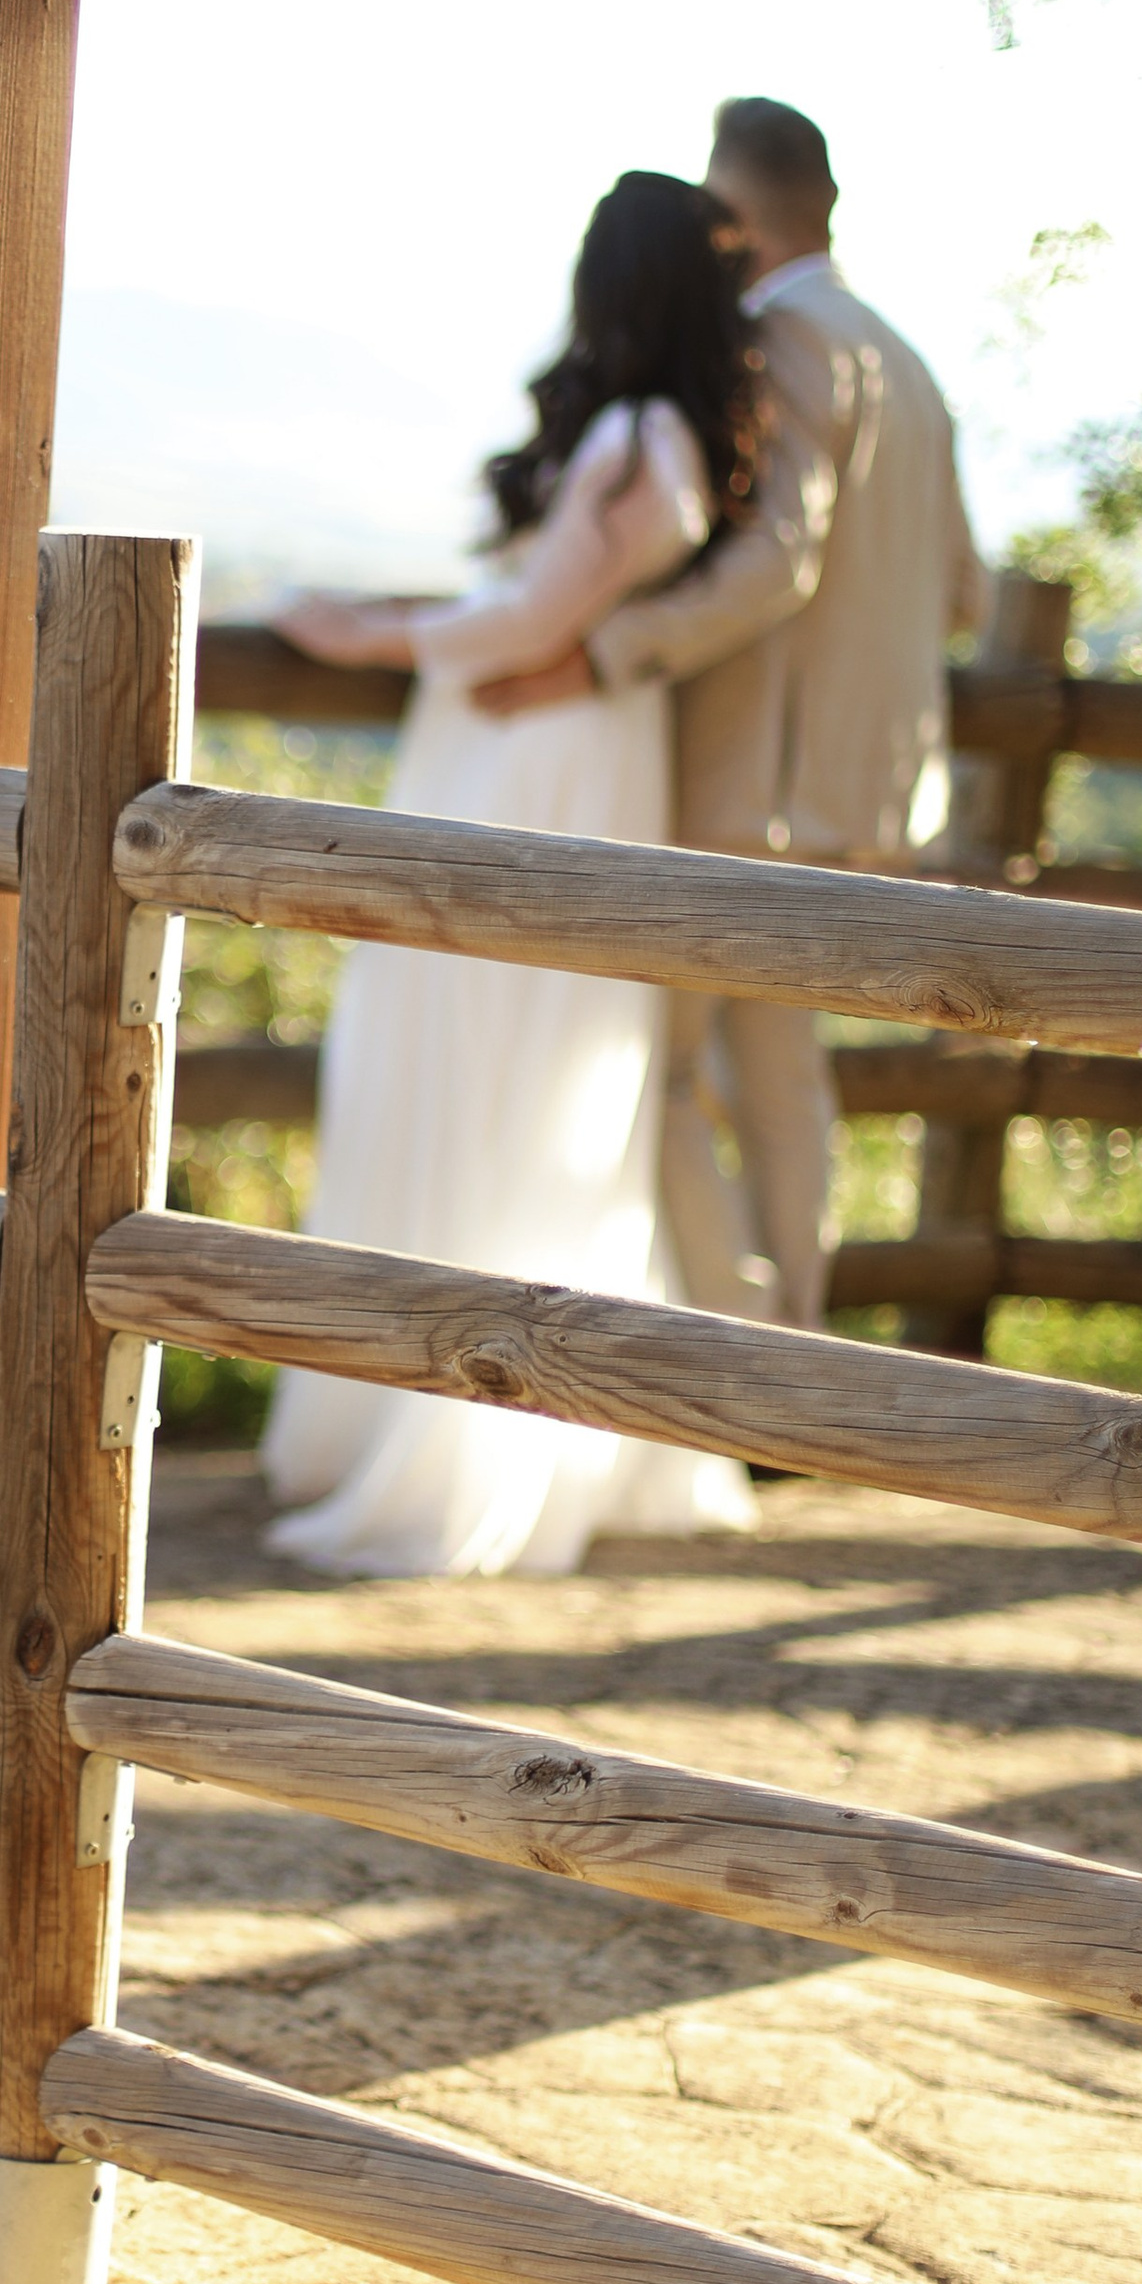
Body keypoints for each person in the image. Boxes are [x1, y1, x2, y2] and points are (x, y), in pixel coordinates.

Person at [260, 170, 761, 1576]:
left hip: (541, 763)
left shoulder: (642, 436)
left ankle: (468, 1439)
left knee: (492, 1066)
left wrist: (356, 629)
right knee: (470, 1060)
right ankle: (412, 1410)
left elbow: (546, 611)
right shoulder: (652, 434)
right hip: (535, 744)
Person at [475, 98, 987, 1331]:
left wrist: (603, 652)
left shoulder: (786, 340)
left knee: (649, 1073)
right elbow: (965, 595)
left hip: (754, 781)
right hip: (863, 788)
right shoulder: (906, 360)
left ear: (740, 217)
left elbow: (776, 565)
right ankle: (793, 1347)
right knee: (778, 1079)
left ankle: (739, 1347)